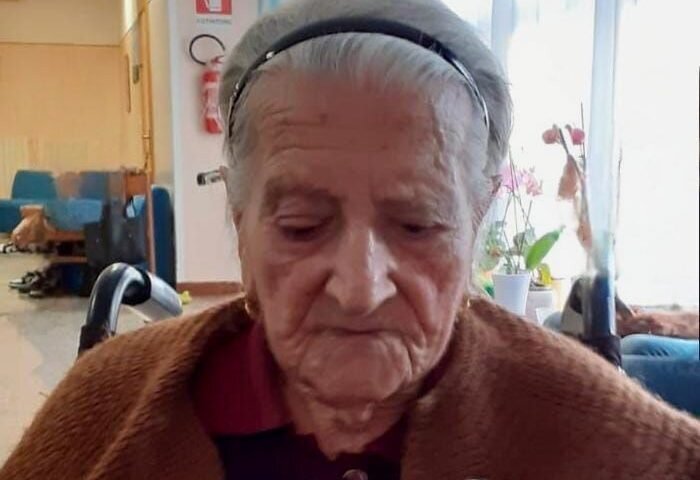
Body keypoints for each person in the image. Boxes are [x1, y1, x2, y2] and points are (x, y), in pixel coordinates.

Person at [2, 0, 699, 479]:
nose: (360, 289)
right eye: (302, 227)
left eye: (418, 225)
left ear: (478, 219)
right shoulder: (110, 406)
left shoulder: (605, 435)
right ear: (239, 221)